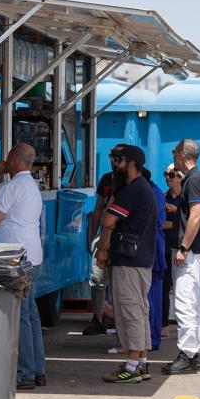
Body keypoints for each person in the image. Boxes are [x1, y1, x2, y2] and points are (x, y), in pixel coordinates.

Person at [0, 143, 46, 390]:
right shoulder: (28, 186)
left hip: (17, 259)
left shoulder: (13, 187)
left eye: (8, 156)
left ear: (14, 158)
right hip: (32, 257)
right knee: (31, 315)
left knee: (21, 317)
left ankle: (25, 374)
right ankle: (38, 370)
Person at [96, 146, 157, 383]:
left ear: (130, 163)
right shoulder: (141, 188)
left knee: (130, 312)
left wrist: (102, 249)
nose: (114, 165)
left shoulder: (133, 190)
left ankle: (130, 368)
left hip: (129, 262)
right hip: (139, 261)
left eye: (118, 161)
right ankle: (140, 363)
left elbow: (109, 220)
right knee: (139, 311)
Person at [162, 139, 200, 375]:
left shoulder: (194, 180)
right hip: (196, 251)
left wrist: (183, 248)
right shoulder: (195, 179)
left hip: (190, 253)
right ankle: (197, 353)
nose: (173, 156)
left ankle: (188, 353)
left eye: (175, 152)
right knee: (192, 303)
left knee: (183, 303)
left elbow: (195, 217)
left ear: (182, 154)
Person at [83, 144, 128, 335]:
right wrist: (92, 237)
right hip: (102, 236)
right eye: (111, 155)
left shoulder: (129, 182)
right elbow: (98, 208)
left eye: (115, 156)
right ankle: (98, 318)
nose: (111, 159)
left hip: (120, 238)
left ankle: (121, 323)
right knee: (97, 279)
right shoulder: (105, 180)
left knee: (119, 282)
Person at [142, 168, 167, 350]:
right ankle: (152, 336)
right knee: (153, 297)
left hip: (149, 251)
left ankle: (150, 337)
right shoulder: (157, 192)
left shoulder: (150, 193)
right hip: (154, 249)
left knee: (150, 297)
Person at [162, 164, 184, 338]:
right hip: (165, 248)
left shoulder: (187, 198)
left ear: (180, 177)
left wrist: (176, 214)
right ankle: (163, 325)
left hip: (182, 250)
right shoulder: (163, 197)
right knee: (163, 287)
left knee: (183, 289)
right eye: (166, 174)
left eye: (172, 174)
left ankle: (185, 327)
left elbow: (194, 220)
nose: (168, 177)